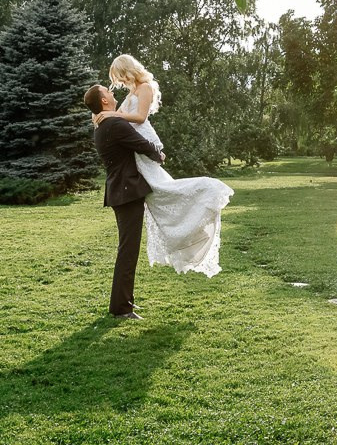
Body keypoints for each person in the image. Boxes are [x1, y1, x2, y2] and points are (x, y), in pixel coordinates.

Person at [93, 54, 234, 279]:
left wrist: (111, 113)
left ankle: (205, 194)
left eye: (120, 76)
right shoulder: (131, 93)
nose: (119, 82)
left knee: (163, 188)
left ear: (128, 70)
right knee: (159, 190)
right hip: (136, 148)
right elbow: (119, 121)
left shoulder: (145, 87)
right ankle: (178, 227)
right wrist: (103, 115)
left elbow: (140, 117)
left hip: (145, 142)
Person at [84, 83, 164, 321]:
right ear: (104, 101)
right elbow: (140, 143)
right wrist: (159, 154)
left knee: (127, 249)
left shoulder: (103, 124)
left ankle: (122, 303)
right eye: (107, 92)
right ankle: (121, 308)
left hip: (120, 191)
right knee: (128, 250)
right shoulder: (114, 124)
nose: (112, 93)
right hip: (126, 192)